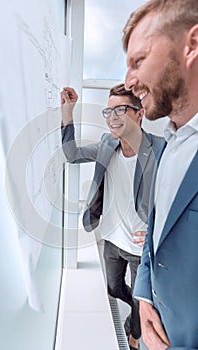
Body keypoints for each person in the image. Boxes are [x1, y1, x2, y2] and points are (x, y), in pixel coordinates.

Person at [61, 84, 164, 350]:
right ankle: (136, 315)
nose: (112, 117)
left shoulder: (161, 150)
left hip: (141, 248)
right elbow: (72, 154)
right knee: (114, 290)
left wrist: (158, 231)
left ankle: (133, 337)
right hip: (111, 240)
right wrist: (67, 115)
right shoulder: (108, 144)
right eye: (108, 111)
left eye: (121, 109)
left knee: (143, 301)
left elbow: (176, 198)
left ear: (139, 114)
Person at [122, 0, 198, 349]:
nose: (129, 80)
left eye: (139, 61)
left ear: (192, 45)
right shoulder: (170, 142)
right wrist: (145, 295)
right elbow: (159, 228)